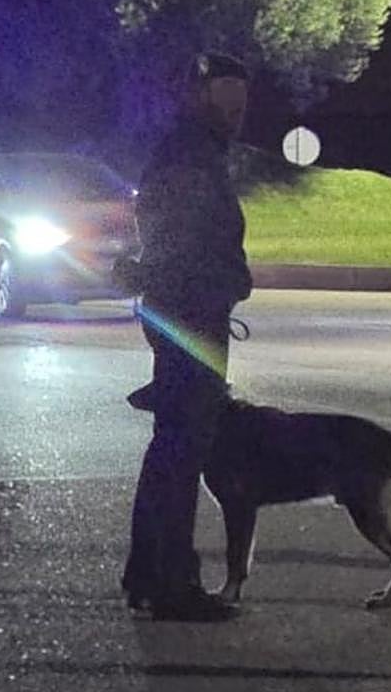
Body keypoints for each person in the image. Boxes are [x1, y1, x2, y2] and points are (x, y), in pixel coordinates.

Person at [117, 52, 254, 621]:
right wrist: (226, 280)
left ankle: (149, 573)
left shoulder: (193, 151)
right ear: (200, 96)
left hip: (184, 312)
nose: (238, 110)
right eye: (227, 96)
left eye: (241, 100)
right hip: (189, 317)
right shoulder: (191, 157)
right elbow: (185, 244)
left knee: (172, 444)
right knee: (183, 448)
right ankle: (171, 582)